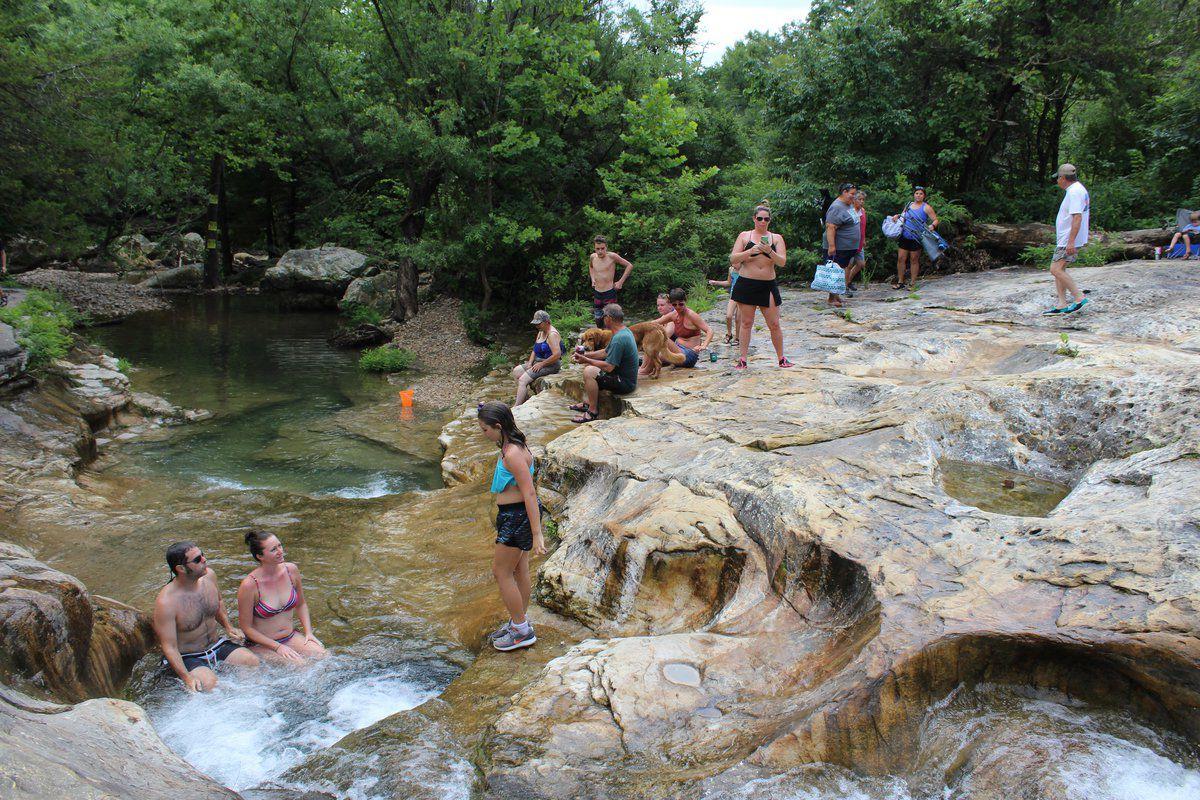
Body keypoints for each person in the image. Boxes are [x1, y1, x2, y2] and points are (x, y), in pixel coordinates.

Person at [477, 400, 546, 652]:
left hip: (517, 518)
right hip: (513, 515)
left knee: (501, 572)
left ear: (498, 426)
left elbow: (529, 493)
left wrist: (537, 533)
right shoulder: (511, 446)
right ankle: (519, 622)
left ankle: (521, 629)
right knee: (520, 570)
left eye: (485, 430)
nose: (482, 434)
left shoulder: (514, 454)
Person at [153, 541, 259, 692]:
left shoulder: (209, 577)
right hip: (188, 656)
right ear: (181, 568)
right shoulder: (167, 602)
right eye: (197, 559)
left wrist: (228, 627)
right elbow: (169, 647)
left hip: (215, 646)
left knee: (252, 661)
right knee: (210, 684)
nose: (204, 560)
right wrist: (187, 678)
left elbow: (218, 602)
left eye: (202, 554)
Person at [237, 531, 326, 663]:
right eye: (274, 549)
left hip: (289, 637)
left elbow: (301, 604)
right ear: (260, 556)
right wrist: (277, 647)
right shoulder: (249, 585)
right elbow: (246, 628)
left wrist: (308, 633)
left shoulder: (291, 570)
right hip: (262, 645)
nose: (280, 551)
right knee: (300, 665)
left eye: (280, 545)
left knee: (324, 656)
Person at [729, 205, 793, 371]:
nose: (763, 222)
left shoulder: (776, 238)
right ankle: (742, 359)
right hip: (747, 282)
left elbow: (782, 262)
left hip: (767, 284)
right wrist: (750, 251)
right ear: (754, 219)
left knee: (774, 323)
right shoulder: (745, 236)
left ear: (769, 220)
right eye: (760, 218)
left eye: (766, 219)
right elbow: (733, 258)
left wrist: (769, 251)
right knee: (746, 322)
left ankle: (781, 358)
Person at [569, 303, 638, 422]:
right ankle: (587, 403)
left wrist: (587, 361)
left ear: (609, 318)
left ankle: (592, 411)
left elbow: (609, 367)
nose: (602, 319)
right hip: (625, 378)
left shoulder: (619, 339)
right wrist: (584, 355)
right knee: (591, 369)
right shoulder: (623, 331)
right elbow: (605, 352)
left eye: (603, 316)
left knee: (589, 371)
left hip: (625, 383)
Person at [1043, 164, 1091, 315]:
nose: (1057, 181)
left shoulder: (1075, 192)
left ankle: (1079, 297)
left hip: (1068, 239)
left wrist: (1071, 241)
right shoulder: (1077, 189)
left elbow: (1077, 217)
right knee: (1060, 270)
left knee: (1055, 269)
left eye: (1058, 178)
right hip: (1067, 238)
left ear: (1063, 178)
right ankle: (1062, 304)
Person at [651, 286, 713, 370]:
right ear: (672, 304)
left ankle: (644, 371)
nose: (678, 307)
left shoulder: (692, 315)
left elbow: (709, 331)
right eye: (674, 305)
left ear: (685, 301)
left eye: (681, 304)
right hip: (676, 350)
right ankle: (642, 368)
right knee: (653, 357)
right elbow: (654, 323)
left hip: (688, 355)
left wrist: (704, 345)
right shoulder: (674, 314)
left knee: (660, 334)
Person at [512, 310, 564, 406]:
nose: (536, 326)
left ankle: (517, 406)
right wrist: (530, 363)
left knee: (523, 380)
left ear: (547, 322)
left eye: (539, 324)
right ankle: (525, 398)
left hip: (551, 365)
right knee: (516, 371)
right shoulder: (541, 332)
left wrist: (542, 364)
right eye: (535, 324)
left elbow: (557, 355)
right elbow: (535, 349)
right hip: (538, 361)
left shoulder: (552, 334)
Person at [891, 186, 939, 290]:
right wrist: (897, 216)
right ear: (914, 194)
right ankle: (900, 282)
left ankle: (912, 283)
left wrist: (932, 226)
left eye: (921, 194)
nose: (918, 195)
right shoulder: (909, 205)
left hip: (917, 237)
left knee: (914, 260)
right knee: (901, 259)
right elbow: (903, 215)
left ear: (924, 196)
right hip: (904, 235)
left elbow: (935, 220)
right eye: (917, 193)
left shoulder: (926, 207)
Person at [824, 183, 860, 308]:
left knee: (840, 271)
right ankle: (831, 298)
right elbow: (831, 227)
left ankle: (836, 296)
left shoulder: (848, 205)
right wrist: (832, 246)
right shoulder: (836, 207)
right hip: (839, 247)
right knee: (835, 270)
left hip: (848, 247)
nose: (854, 197)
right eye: (852, 194)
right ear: (844, 192)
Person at [589, 235, 634, 324]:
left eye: (602, 248)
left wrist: (620, 282)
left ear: (606, 247)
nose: (600, 251)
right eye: (597, 249)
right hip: (597, 293)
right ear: (594, 248)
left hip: (609, 293)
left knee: (611, 322)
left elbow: (629, 265)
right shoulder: (593, 257)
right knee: (598, 321)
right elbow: (590, 267)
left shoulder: (612, 256)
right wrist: (593, 278)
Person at [707, 265, 740, 344]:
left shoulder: (745, 268)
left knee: (738, 319)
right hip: (733, 295)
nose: (733, 263)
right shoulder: (731, 269)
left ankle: (737, 338)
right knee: (728, 316)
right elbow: (729, 282)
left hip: (743, 296)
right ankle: (729, 334)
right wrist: (716, 282)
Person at [847, 190, 868, 294]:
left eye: (863, 200)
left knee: (861, 264)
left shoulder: (863, 211)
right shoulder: (850, 211)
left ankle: (848, 280)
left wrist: (863, 239)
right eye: (859, 199)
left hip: (859, 242)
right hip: (850, 242)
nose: (862, 201)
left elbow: (863, 226)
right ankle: (845, 285)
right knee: (848, 264)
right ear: (854, 200)